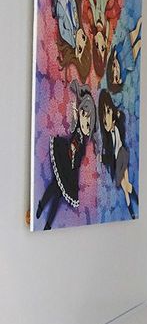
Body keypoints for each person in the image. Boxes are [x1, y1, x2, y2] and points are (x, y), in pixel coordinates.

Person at [35, 80, 97, 230]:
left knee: (56, 193)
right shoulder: (77, 128)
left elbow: (79, 157)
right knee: (53, 188)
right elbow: (73, 125)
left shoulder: (83, 142)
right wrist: (75, 112)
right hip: (64, 159)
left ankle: (47, 222)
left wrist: (75, 152)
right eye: (84, 114)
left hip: (70, 169)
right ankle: (42, 207)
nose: (84, 121)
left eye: (88, 123)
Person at [98, 89, 138, 219]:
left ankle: (138, 204)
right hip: (120, 158)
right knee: (126, 188)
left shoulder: (116, 128)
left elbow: (113, 152)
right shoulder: (108, 136)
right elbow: (110, 155)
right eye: (104, 116)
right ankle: (133, 213)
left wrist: (103, 158)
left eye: (109, 111)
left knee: (125, 185)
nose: (107, 118)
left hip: (121, 156)